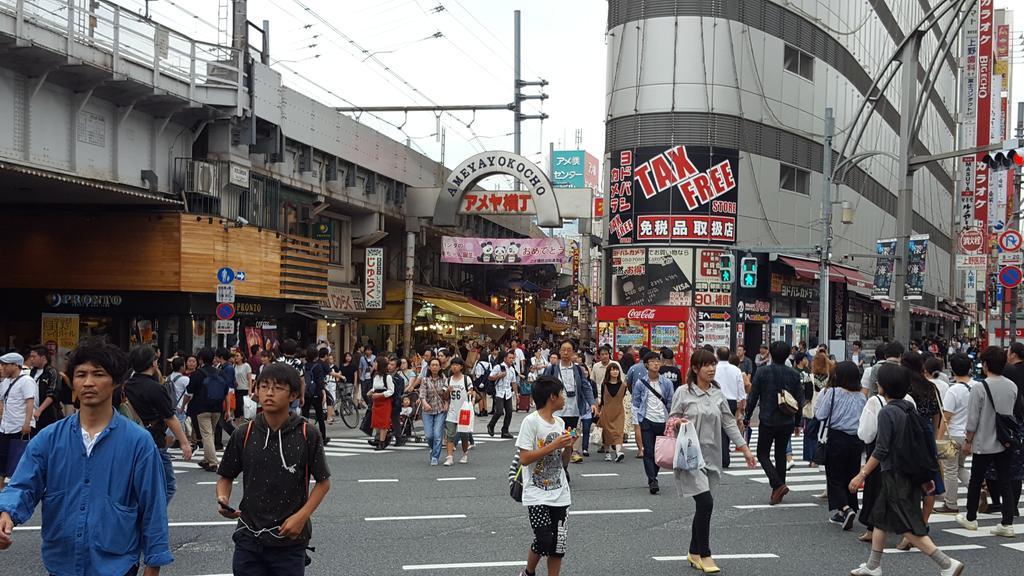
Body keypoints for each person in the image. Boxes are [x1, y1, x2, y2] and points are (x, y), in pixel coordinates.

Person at [0, 340, 173, 575]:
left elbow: (153, 505)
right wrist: (7, 513)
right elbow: (23, 485)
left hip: (118, 565)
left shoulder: (138, 442)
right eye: (81, 374)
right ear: (73, 381)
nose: (89, 382)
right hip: (61, 563)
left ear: (116, 381)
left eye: (98, 374)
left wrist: (154, 563)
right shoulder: (49, 438)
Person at [848, 363, 964, 576]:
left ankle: (946, 563)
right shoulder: (909, 408)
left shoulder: (886, 413)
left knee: (904, 525)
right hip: (909, 472)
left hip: (894, 474)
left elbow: (881, 449)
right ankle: (873, 565)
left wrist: (861, 474)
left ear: (883, 386)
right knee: (881, 518)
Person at [216, 362, 331, 575]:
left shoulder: (308, 433)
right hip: (248, 538)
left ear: (293, 395)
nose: (269, 393)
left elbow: (323, 482)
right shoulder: (244, 433)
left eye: (278, 388)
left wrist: (302, 516)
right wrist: (223, 498)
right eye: (264, 386)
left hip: (290, 540)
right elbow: (225, 475)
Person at [671, 348, 756, 573]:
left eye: (713, 365)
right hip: (690, 457)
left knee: (703, 507)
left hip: (712, 456)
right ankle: (705, 553)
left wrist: (745, 449)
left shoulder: (717, 393)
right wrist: (678, 423)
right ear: (696, 368)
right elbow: (671, 421)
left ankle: (693, 551)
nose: (711, 369)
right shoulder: (683, 392)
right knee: (706, 503)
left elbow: (728, 423)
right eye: (706, 365)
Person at [514, 375, 574, 576]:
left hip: (560, 492)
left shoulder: (560, 422)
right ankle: (528, 572)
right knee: (543, 539)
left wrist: (568, 447)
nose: (564, 398)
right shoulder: (530, 422)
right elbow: (524, 458)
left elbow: (564, 462)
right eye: (562, 394)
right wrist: (553, 445)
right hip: (536, 493)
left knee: (558, 545)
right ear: (552, 397)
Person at [957, 346, 1018, 537]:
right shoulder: (1012, 386)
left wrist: (968, 441)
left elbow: (973, 419)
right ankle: (1007, 522)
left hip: (983, 442)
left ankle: (971, 517)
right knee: (1005, 481)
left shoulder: (979, 387)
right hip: (1005, 441)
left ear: (985, 365)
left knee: (976, 480)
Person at [124, 345, 192, 503]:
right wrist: (184, 443)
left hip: (129, 440)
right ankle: (151, 519)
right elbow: (170, 417)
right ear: (153, 363)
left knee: (135, 485)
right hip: (154, 441)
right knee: (167, 486)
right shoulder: (155, 388)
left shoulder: (125, 385)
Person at [745, 341, 804, 505]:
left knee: (762, 453)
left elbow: (753, 396)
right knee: (780, 455)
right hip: (787, 420)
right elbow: (799, 399)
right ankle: (778, 491)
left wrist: (747, 416)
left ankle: (778, 485)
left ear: (770, 354)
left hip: (768, 418)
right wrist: (798, 423)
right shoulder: (793, 374)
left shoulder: (763, 372)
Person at [814, 360, 866, 530]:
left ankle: (845, 508)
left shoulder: (833, 393)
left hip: (837, 437)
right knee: (851, 475)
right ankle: (846, 511)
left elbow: (820, 415)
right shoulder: (861, 396)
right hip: (856, 440)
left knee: (835, 476)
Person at [542, 341, 598, 464]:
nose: (566, 353)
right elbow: (542, 386)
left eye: (569, 350)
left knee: (569, 440)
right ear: (559, 351)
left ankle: (565, 467)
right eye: (563, 350)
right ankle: (556, 466)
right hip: (556, 413)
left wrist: (592, 403)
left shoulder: (577, 369)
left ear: (573, 353)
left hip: (573, 412)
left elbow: (585, 387)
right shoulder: (552, 369)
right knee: (556, 440)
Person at [935, 352, 975, 514]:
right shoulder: (977, 387)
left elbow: (947, 417)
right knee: (959, 466)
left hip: (952, 436)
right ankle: (978, 489)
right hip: (968, 435)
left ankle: (951, 504)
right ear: (970, 367)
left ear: (952, 369)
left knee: (951, 469)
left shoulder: (954, 391)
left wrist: (939, 438)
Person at [632, 351, 674, 494]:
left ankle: (653, 475)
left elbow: (670, 402)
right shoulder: (641, 383)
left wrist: (671, 420)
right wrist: (638, 418)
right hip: (646, 420)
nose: (656, 364)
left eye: (658, 361)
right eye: (653, 361)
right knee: (648, 451)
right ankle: (652, 480)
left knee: (659, 453)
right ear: (646, 365)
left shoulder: (667, 383)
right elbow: (636, 401)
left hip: (662, 420)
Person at [187, 347, 226, 472]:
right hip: (217, 408)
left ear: (201, 359)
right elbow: (226, 390)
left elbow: (190, 390)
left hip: (202, 408)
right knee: (210, 434)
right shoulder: (220, 372)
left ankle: (213, 462)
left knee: (207, 435)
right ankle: (206, 460)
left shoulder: (198, 373)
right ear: (213, 358)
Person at [0, 353, 33, 489]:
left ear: (15, 365)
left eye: (5, 365)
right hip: (5, 426)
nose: (2, 368)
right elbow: (3, 401)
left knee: (18, 459)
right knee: (2, 458)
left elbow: (29, 402)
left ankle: (17, 488)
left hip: (19, 426)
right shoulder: (5, 382)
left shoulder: (26, 381)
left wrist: (27, 423)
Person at [714, 347, 745, 469]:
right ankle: (725, 455)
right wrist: (742, 400)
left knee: (719, 428)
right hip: (732, 401)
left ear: (717, 355)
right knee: (728, 427)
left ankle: (722, 457)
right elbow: (740, 387)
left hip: (717, 399)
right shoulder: (736, 370)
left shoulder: (714, 368)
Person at [444, 357, 475, 465]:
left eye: (457, 365)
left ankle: (465, 453)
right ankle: (449, 457)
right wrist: (448, 390)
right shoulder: (448, 380)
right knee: (450, 434)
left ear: (461, 367)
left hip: (464, 411)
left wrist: (470, 395)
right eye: (452, 365)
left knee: (464, 435)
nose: (454, 367)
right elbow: (445, 396)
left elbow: (471, 391)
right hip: (452, 411)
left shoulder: (466, 379)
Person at [26, 346, 62, 432]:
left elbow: (52, 394)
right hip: (33, 413)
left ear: (43, 358)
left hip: (48, 413)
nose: (31, 359)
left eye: (34, 356)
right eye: (30, 356)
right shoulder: (32, 372)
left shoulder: (51, 372)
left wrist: (40, 410)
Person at [420, 358, 448, 465]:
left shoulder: (444, 379)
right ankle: (432, 448)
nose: (435, 367)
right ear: (429, 367)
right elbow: (422, 394)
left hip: (440, 409)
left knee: (437, 434)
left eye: (437, 365)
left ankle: (435, 456)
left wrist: (446, 403)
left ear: (440, 367)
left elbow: (446, 395)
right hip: (427, 410)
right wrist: (425, 403)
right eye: (433, 365)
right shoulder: (425, 380)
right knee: (429, 435)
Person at [597, 361, 627, 462]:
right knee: (607, 433)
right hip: (606, 411)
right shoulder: (604, 384)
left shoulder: (623, 385)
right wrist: (599, 410)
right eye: (612, 370)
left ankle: (618, 452)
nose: (615, 372)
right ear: (608, 372)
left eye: (616, 370)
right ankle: (607, 452)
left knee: (619, 432)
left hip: (619, 412)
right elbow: (603, 400)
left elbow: (622, 397)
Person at [488, 350, 520, 439]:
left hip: (508, 393)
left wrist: (517, 394)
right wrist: (499, 375)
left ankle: (505, 430)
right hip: (499, 392)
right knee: (499, 411)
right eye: (509, 358)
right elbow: (490, 377)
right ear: (505, 358)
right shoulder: (499, 367)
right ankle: (491, 425)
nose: (511, 360)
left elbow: (513, 383)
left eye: (512, 358)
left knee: (509, 411)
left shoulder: (512, 369)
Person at [301, 348, 329, 445]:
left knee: (305, 414)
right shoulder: (318, 366)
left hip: (306, 393)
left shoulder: (304, 366)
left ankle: (303, 435)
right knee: (320, 415)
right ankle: (323, 437)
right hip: (316, 393)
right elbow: (320, 382)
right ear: (316, 356)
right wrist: (323, 393)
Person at [369, 356, 396, 451]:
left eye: (376, 363)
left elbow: (391, 391)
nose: (374, 365)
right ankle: (380, 438)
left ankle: (381, 442)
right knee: (376, 422)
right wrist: (371, 392)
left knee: (383, 422)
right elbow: (374, 387)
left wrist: (380, 395)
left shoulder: (387, 377)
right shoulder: (376, 376)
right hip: (376, 401)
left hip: (384, 401)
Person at [232, 350, 252, 425]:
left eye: (237, 356)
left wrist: (250, 390)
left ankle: (242, 424)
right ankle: (237, 425)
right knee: (236, 409)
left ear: (242, 357)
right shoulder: (234, 366)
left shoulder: (246, 366)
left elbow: (250, 379)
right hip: (236, 389)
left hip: (244, 389)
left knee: (241, 407)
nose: (236, 357)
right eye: (235, 356)